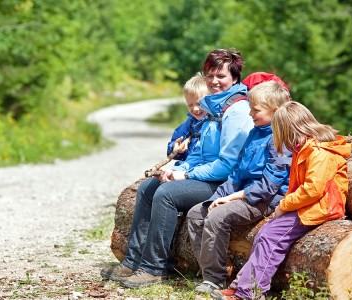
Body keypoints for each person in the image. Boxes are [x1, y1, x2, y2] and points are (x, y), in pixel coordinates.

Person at [101, 48, 254, 288]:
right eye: (210, 75)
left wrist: (185, 175)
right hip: (207, 174)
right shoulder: (213, 106)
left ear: (234, 77)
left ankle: (155, 267)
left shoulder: (236, 111)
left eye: (221, 76)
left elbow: (227, 165)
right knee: (149, 188)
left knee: (166, 194)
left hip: (226, 184)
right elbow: (202, 153)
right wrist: (176, 168)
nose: (214, 81)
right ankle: (133, 260)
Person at [212, 101, 352, 300]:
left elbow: (312, 190)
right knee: (264, 234)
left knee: (271, 237)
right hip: (308, 205)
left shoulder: (320, 152)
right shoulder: (304, 148)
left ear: (289, 129)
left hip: (322, 207)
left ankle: (249, 293)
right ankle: (240, 285)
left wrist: (283, 206)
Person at [187, 80, 292, 294]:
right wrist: (218, 196)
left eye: (255, 109)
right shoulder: (255, 132)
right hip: (242, 192)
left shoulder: (281, 138)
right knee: (197, 213)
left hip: (264, 199)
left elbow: (269, 185)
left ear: (275, 111)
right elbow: (236, 173)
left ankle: (213, 280)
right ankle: (215, 270)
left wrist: (232, 198)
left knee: (218, 216)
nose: (250, 113)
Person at [167, 72, 208, 166]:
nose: (195, 109)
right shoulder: (190, 123)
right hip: (184, 165)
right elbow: (175, 140)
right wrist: (175, 147)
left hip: (200, 168)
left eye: (199, 104)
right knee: (152, 181)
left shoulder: (214, 122)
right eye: (190, 105)